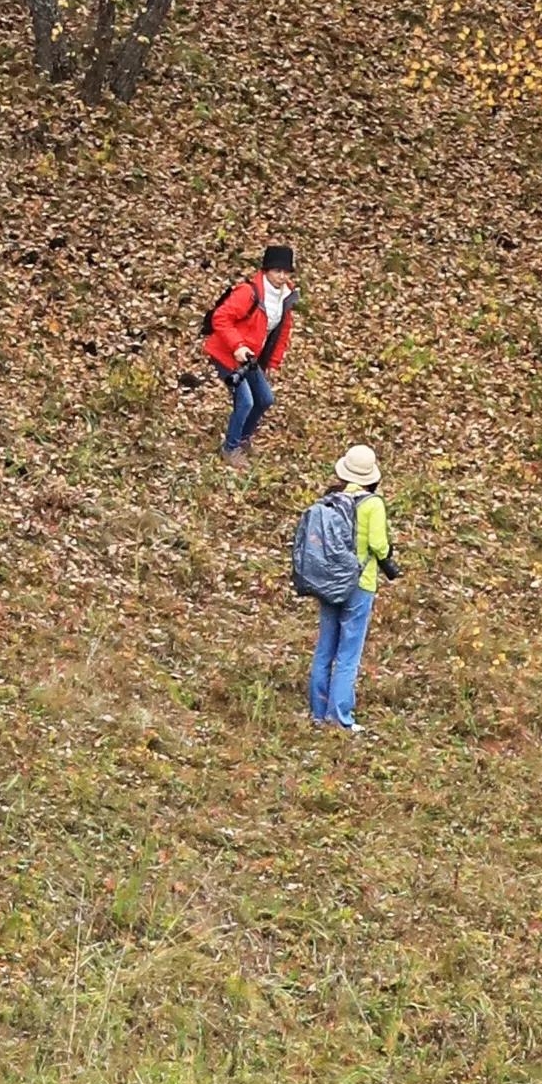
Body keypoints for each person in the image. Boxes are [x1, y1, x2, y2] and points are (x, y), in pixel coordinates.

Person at [297, 447, 394, 732]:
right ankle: (339, 718)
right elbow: (379, 545)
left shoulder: (331, 500)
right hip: (360, 584)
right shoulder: (373, 504)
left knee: (325, 647)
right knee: (349, 653)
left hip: (329, 582)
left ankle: (317, 712)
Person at [200, 251, 300, 456]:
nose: (282, 276)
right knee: (245, 400)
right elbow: (221, 318)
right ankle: (230, 448)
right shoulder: (248, 292)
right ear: (266, 270)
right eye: (277, 271)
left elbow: (282, 331)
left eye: (286, 272)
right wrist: (237, 346)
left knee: (265, 399)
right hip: (226, 353)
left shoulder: (285, 296)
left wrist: (272, 363)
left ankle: (243, 437)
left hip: (250, 359)